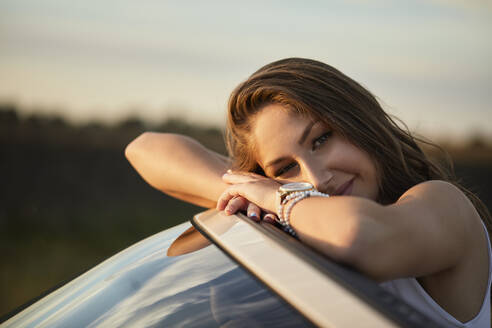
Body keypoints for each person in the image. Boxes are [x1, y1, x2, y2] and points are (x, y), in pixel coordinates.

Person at [125, 58, 491, 327]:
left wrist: (278, 197)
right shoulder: (298, 211)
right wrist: (247, 189)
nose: (315, 179)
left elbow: (359, 236)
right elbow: (143, 149)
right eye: (285, 168)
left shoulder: (444, 205)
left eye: (321, 139)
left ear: (359, 119)